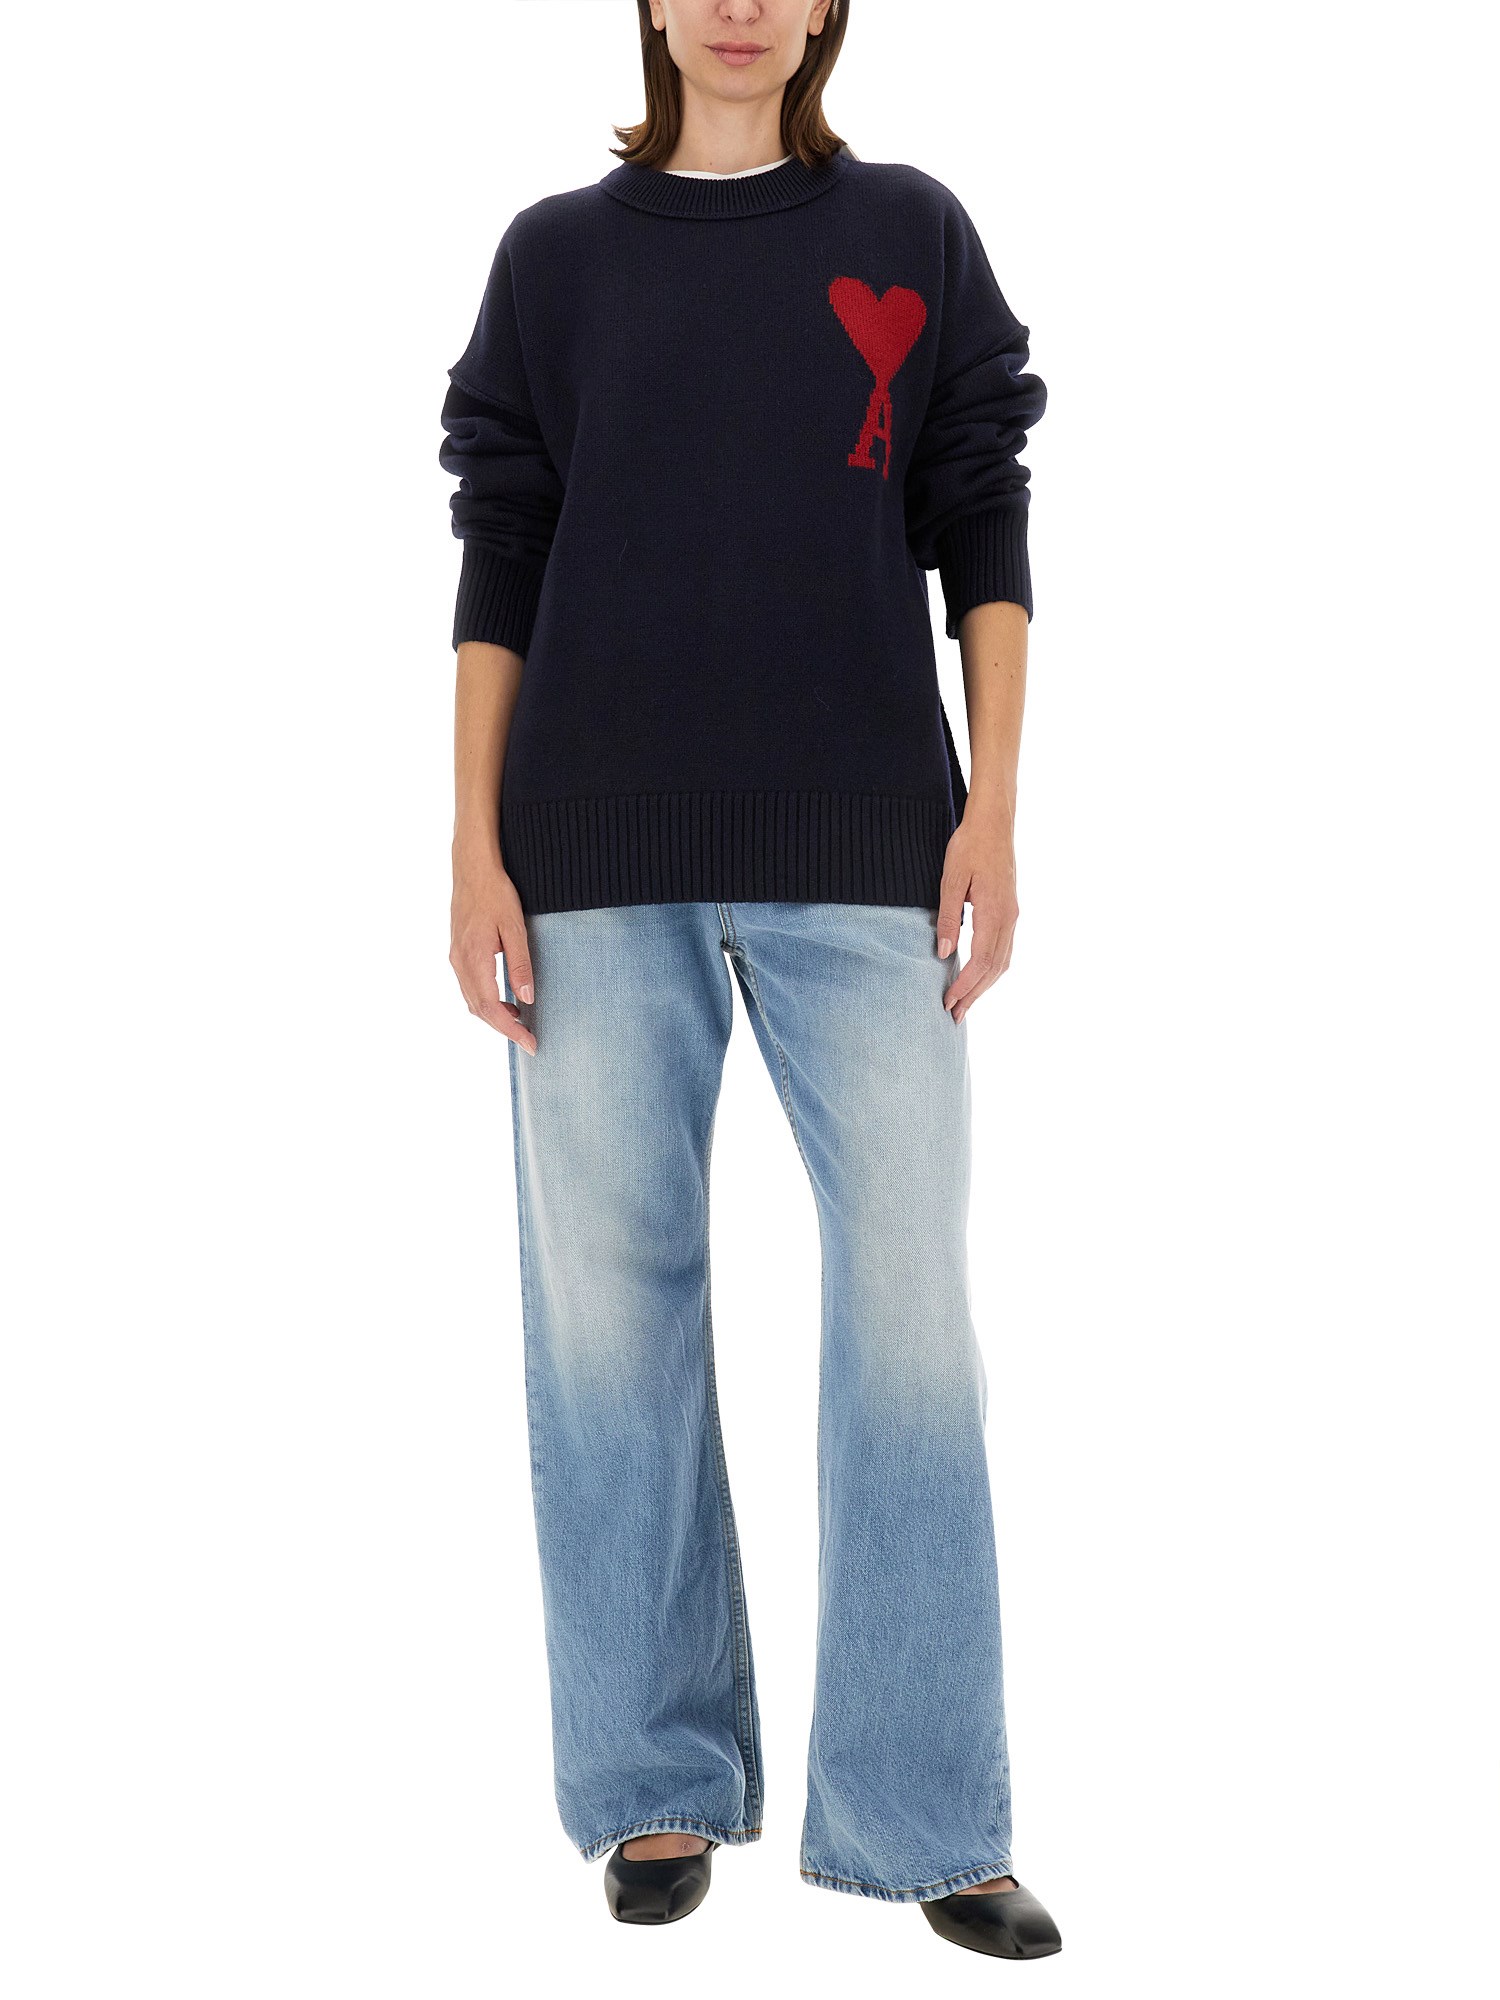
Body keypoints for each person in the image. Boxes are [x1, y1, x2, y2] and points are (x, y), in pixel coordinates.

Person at [439, 0, 1058, 1960]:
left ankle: (929, 1813)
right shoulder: (555, 256)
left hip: (871, 846)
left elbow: (979, 516)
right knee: (607, 1319)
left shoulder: (911, 229)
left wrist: (996, 806)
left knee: (909, 1317)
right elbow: (502, 547)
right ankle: (655, 1781)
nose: (737, 3)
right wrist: (471, 842)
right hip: (588, 850)